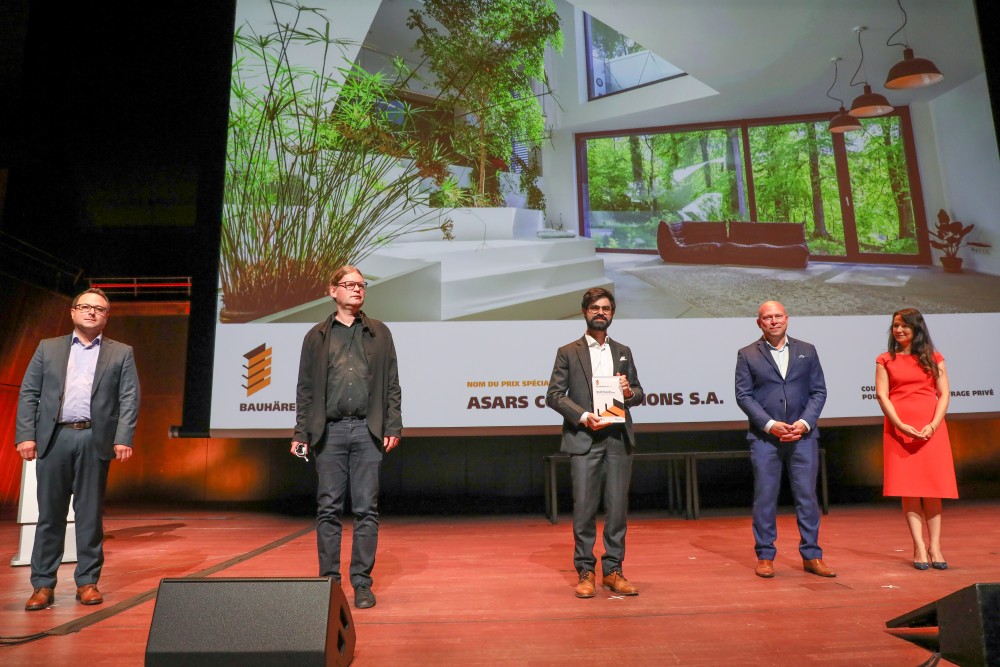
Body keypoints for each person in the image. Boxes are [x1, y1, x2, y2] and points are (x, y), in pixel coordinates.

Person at [15, 287, 140, 611]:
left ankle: (87, 582)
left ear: (106, 316)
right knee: (50, 515)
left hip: (94, 438)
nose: (91, 312)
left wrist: (123, 437)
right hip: (54, 438)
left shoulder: (121, 352)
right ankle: (43, 584)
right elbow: (29, 393)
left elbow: (129, 398)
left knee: (89, 515)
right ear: (73, 312)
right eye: (85, 306)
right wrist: (25, 435)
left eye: (99, 308)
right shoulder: (48, 347)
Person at [291, 266, 402, 609]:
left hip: (368, 431)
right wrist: (300, 432)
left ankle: (362, 583)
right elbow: (305, 389)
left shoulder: (379, 332)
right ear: (333, 291)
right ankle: (330, 582)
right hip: (331, 432)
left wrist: (393, 426)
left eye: (361, 285)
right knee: (328, 509)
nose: (357, 289)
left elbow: (392, 384)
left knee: (367, 509)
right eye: (349, 284)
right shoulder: (316, 336)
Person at [546, 287, 644, 598]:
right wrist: (584, 416)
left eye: (606, 308)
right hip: (584, 437)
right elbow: (554, 395)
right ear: (585, 312)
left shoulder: (623, 350)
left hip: (617, 438)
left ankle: (613, 570)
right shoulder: (567, 351)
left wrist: (628, 392)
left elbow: (638, 394)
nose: (601, 313)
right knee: (585, 509)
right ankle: (585, 571)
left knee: (617, 509)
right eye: (595, 308)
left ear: (612, 313)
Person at [734, 300, 834, 579]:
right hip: (765, 439)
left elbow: (818, 391)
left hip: (803, 436)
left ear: (787, 319)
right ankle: (765, 556)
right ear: (759, 323)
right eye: (768, 317)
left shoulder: (807, 350)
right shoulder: (746, 354)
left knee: (807, 497)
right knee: (765, 497)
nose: (774, 321)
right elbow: (743, 396)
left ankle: (812, 555)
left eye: (778, 316)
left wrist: (803, 424)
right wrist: (770, 425)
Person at [875, 308, 957, 570]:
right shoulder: (885, 359)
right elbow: (882, 395)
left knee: (933, 488)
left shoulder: (934, 358)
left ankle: (936, 546)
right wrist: (899, 425)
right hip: (899, 428)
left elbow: (944, 394)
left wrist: (933, 425)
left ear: (917, 328)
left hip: (931, 428)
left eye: (904, 325)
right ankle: (919, 546)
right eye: (895, 325)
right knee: (909, 488)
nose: (898, 330)